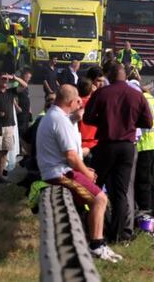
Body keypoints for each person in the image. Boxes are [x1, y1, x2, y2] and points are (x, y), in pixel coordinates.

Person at [37, 84, 123, 263]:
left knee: (93, 200)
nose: (80, 105)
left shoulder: (54, 116)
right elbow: (71, 156)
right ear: (72, 101)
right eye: (78, 102)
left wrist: (84, 170)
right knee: (100, 199)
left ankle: (95, 241)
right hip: (60, 173)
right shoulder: (60, 120)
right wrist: (86, 173)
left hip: (56, 171)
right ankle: (97, 245)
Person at [84, 63, 152, 243]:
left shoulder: (102, 93)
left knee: (95, 186)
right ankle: (117, 235)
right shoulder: (137, 95)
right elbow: (148, 122)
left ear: (110, 76)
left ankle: (92, 228)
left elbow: (88, 117)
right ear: (124, 76)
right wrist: (130, 123)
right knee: (121, 193)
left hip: (106, 145)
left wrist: (105, 122)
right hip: (127, 147)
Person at [0, 74, 27, 182]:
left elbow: (24, 85)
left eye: (6, 80)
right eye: (3, 79)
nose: (5, 81)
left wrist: (14, 78)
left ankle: (0, 174)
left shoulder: (11, 91)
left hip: (9, 126)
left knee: (5, 151)